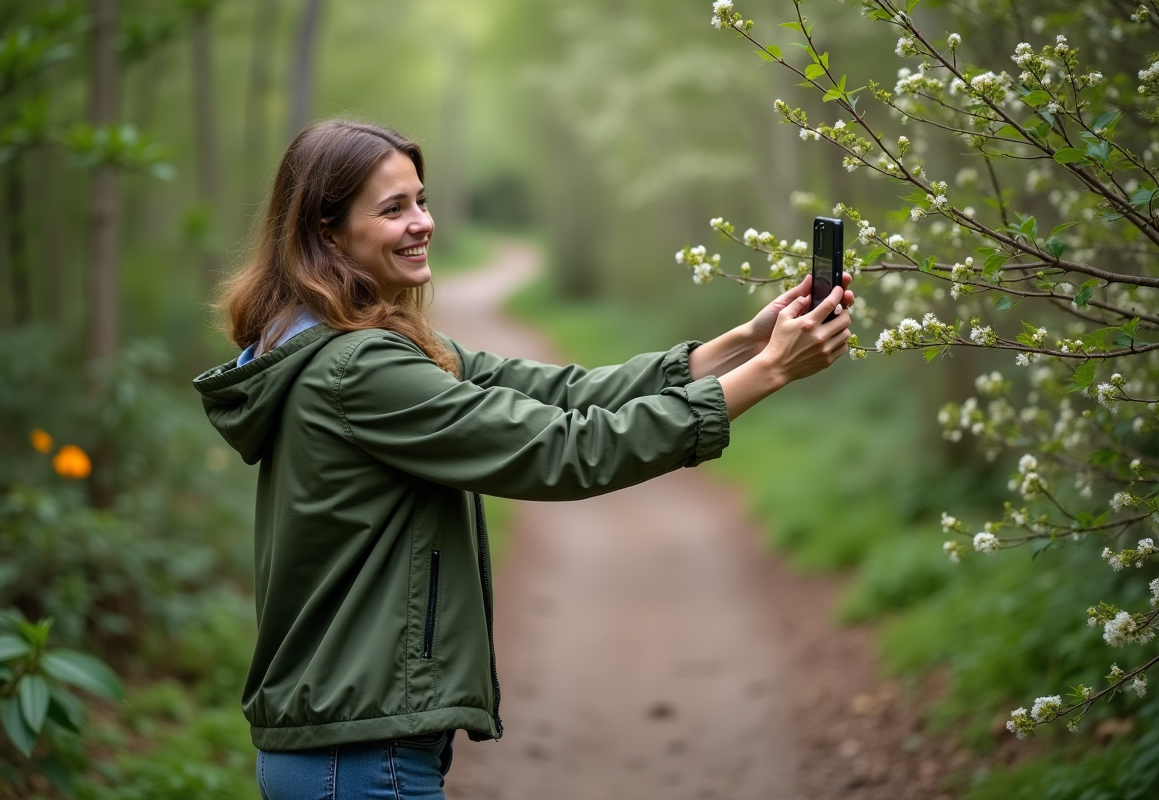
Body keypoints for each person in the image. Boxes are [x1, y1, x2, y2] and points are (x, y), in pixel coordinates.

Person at [193, 120, 853, 800]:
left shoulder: (360, 346)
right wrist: (769, 374)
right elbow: (562, 452)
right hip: (358, 757)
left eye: (420, 200)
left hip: (350, 750)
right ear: (327, 232)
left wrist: (743, 343)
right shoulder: (359, 369)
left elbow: (558, 395)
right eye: (393, 209)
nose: (423, 222)